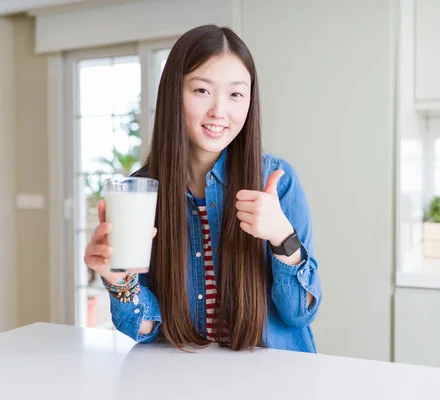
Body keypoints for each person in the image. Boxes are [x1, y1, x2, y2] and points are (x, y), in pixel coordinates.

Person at [83, 24, 321, 352]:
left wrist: (282, 238)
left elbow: (301, 314)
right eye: (202, 91)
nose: (219, 111)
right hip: (188, 379)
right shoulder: (141, 194)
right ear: (173, 94)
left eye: (236, 94)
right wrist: (117, 279)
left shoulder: (277, 181)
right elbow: (150, 328)